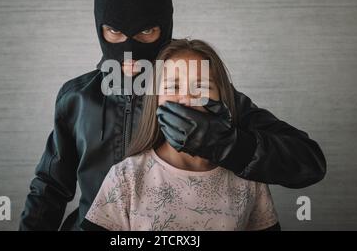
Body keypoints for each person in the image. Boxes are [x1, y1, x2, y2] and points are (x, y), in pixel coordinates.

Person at [19, 0, 326, 231]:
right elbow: (49, 187)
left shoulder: (203, 95)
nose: (129, 49)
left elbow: (309, 163)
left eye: (145, 32)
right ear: (99, 27)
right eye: (114, 31)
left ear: (164, 27)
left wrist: (231, 145)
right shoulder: (76, 98)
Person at [81, 39, 280, 231]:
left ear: (222, 97)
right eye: (173, 87)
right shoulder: (126, 177)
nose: (186, 98)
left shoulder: (248, 175)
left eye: (201, 86)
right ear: (156, 99)